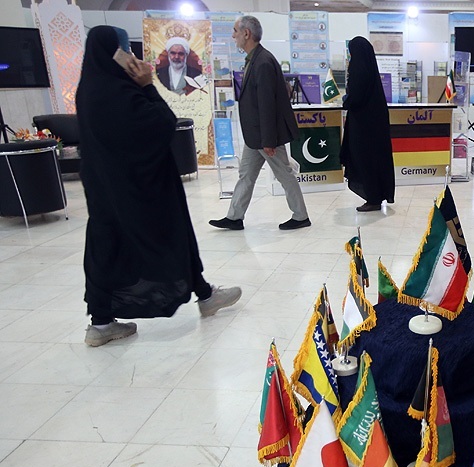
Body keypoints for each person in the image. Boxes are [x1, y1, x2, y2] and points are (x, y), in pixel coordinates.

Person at [77, 26, 241, 347]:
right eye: (125, 50)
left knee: (105, 247)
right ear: (113, 52)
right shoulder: (120, 92)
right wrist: (148, 86)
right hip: (142, 189)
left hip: (103, 190)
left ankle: (100, 323)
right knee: (174, 236)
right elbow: (163, 123)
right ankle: (205, 295)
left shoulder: (90, 87)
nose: (131, 56)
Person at [209, 16, 311, 231]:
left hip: (265, 136)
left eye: (235, 31)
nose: (233, 36)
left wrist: (269, 140)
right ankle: (234, 217)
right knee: (246, 175)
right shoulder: (255, 59)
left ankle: (301, 216)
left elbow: (267, 104)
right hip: (255, 136)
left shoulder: (263, 62)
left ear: (246, 33)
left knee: (284, 174)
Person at [340, 36, 395, 212]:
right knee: (374, 160)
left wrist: (346, 101)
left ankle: (373, 198)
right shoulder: (370, 71)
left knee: (365, 160)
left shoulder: (359, 70)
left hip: (364, 126)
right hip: (373, 124)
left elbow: (356, 97)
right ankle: (376, 195)